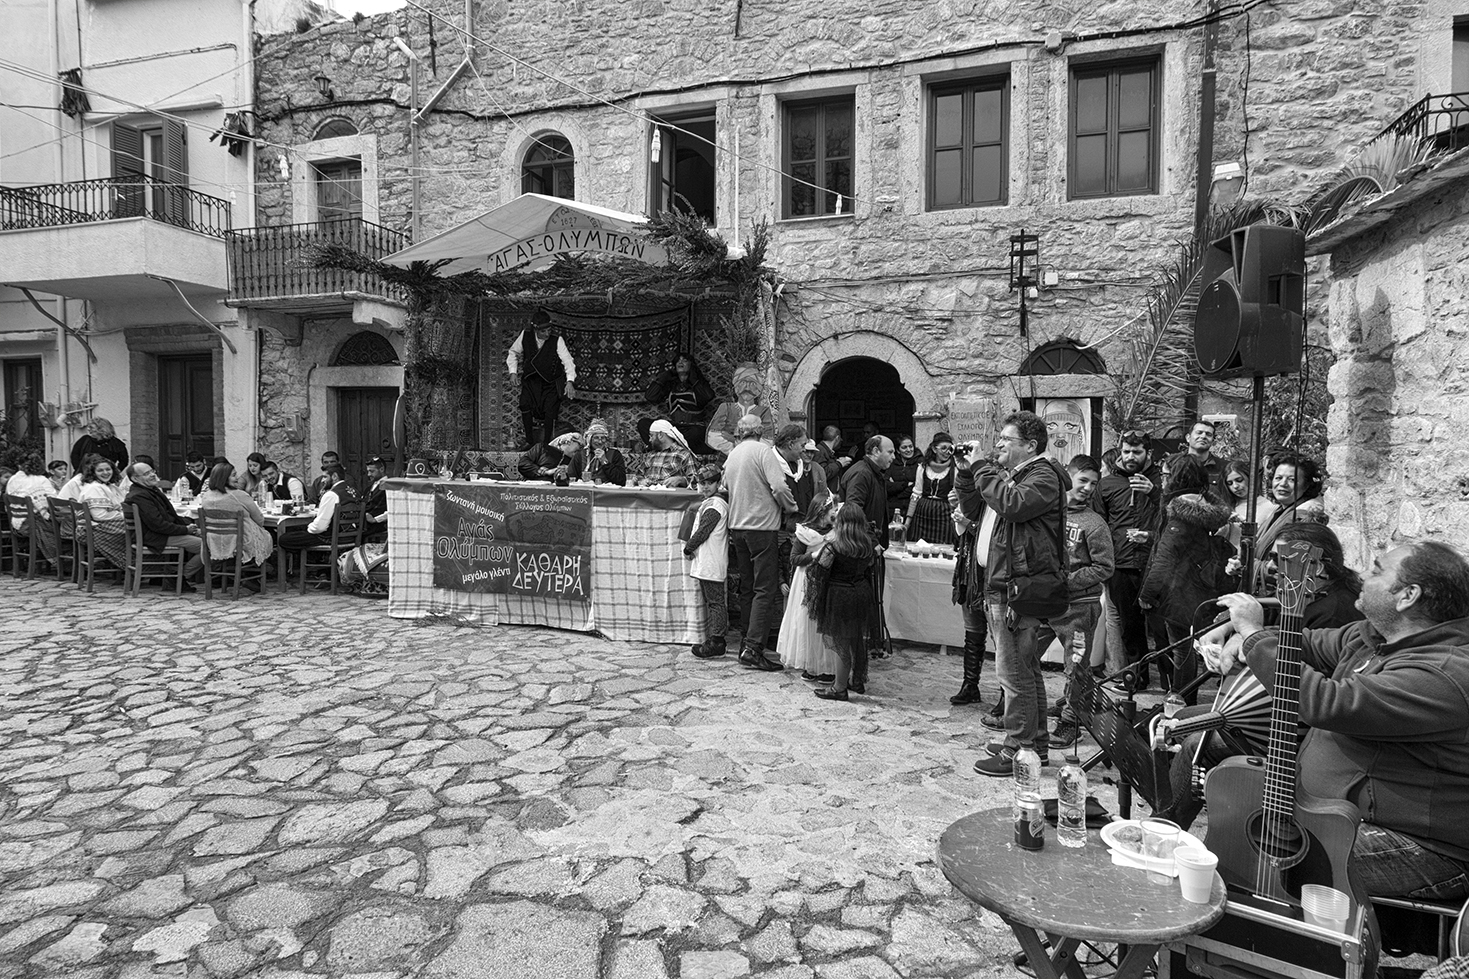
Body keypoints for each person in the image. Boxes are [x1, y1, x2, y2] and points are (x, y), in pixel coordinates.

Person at [1160, 540, 1469, 902]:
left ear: (1408, 596)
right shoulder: (1375, 637)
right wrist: (1235, 633)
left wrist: (1253, 636)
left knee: (1240, 863)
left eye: (1377, 570)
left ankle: (1264, 950)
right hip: (1329, 809)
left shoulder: (1444, 673)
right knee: (1230, 830)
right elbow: (1304, 642)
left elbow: (1326, 704)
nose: (1364, 575)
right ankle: (1162, 836)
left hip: (1415, 844)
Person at [961, 410, 1070, 777]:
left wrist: (982, 469)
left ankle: (1018, 749)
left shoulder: (1043, 477)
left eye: (1006, 440)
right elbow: (977, 506)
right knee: (1025, 668)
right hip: (1005, 582)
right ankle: (1034, 745)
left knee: (1013, 673)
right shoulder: (1019, 474)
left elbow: (1012, 505)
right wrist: (968, 472)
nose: (999, 445)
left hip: (1015, 586)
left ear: (1030, 446)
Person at [1138, 456, 1235, 702]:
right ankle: (1183, 697)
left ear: (1176, 478)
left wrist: (1147, 595)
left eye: (1166, 474)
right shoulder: (1205, 507)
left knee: (1182, 649)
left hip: (1181, 591)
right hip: (1199, 587)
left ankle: (1180, 701)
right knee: (1190, 646)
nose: (1163, 478)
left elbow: (1164, 558)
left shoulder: (1179, 513)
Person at [1037, 455, 1115, 748]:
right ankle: (1028, 709)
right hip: (1044, 602)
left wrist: (1067, 581)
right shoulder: (1047, 513)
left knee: (1077, 666)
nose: (1087, 487)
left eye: (1093, 483)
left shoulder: (1094, 523)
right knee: (1027, 654)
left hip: (1079, 606)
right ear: (1067, 477)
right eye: (1083, 480)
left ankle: (1071, 720)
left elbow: (1105, 567)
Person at [724, 412, 799, 672]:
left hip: (738, 527)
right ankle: (754, 648)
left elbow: (725, 485)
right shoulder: (763, 451)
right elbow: (778, 487)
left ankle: (747, 639)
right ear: (761, 430)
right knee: (765, 588)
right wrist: (791, 507)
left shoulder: (733, 454)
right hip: (761, 527)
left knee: (747, 586)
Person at [1095, 429, 1164, 684]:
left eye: (1137, 452)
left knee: (1161, 628)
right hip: (1121, 562)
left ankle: (1170, 683)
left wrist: (1154, 491)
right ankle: (1137, 677)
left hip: (1156, 562)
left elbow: (1176, 513)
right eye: (1126, 452)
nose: (1131, 456)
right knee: (1129, 625)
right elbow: (1099, 522)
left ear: (1148, 453)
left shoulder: (1161, 480)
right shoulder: (1108, 484)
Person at [808, 502, 879, 701]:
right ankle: (856, 679)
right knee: (856, 641)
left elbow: (819, 569)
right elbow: (870, 565)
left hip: (840, 596)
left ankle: (839, 688)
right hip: (861, 592)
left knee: (841, 643)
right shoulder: (866, 545)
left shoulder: (835, 546)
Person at [780, 493, 840, 681]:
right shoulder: (805, 533)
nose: (835, 513)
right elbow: (794, 558)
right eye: (833, 510)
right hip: (806, 579)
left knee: (823, 621)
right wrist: (814, 557)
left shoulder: (835, 532)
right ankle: (810, 663)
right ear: (822, 512)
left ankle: (825, 665)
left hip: (827, 579)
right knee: (807, 620)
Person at [123, 461, 203, 589]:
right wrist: (184, 530)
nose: (152, 475)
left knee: (206, 536)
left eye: (152, 471)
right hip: (155, 536)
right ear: (135, 478)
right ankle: (178, 577)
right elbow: (158, 525)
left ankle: (173, 577)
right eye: (146, 474)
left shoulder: (151, 490)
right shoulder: (140, 496)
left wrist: (190, 527)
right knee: (206, 546)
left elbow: (170, 516)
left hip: (162, 533)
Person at [507, 308, 578, 449]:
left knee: (549, 411)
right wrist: (513, 372)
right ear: (535, 329)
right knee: (525, 405)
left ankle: (547, 444)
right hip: (531, 381)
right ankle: (529, 441)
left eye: (549, 330)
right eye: (543, 331)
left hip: (549, 383)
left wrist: (570, 381)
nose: (547, 334)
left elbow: (568, 361)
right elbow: (513, 352)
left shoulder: (557, 340)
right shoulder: (525, 335)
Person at [686, 464, 731, 660]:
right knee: (713, 601)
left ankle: (717, 641)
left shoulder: (715, 505)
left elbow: (703, 530)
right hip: (709, 560)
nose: (705, 487)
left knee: (715, 603)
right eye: (701, 483)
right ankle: (715, 638)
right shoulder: (712, 502)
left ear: (717, 483)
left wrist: (688, 547)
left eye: (709, 483)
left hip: (711, 561)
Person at [950, 486, 989, 706]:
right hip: (967, 574)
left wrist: (968, 524)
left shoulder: (998, 503)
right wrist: (958, 515)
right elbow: (959, 538)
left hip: (989, 577)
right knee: (973, 632)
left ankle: (1007, 694)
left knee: (1001, 640)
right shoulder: (970, 502)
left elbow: (993, 537)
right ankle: (970, 685)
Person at [196, 462, 273, 573]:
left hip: (214, 542)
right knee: (267, 536)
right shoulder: (239, 495)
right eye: (233, 475)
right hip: (241, 542)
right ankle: (253, 572)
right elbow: (260, 520)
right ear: (224, 478)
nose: (237, 478)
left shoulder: (206, 496)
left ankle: (242, 574)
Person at [646, 352, 716, 454]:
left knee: (698, 432)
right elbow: (650, 396)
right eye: (678, 360)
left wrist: (694, 379)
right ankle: (673, 446)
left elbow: (708, 396)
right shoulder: (670, 385)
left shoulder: (698, 384)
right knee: (644, 424)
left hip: (693, 427)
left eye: (685, 360)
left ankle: (669, 447)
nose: (680, 362)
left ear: (691, 365)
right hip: (674, 428)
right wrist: (663, 378)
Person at [277, 465, 355, 556]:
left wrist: (308, 528)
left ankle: (309, 562)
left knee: (284, 539)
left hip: (331, 537)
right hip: (351, 536)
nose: (323, 480)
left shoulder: (331, 494)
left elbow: (320, 527)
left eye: (325, 477)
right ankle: (315, 560)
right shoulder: (353, 491)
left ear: (334, 476)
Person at [706, 364, 773, 455]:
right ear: (736, 386)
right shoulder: (726, 407)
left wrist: (733, 439)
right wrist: (734, 450)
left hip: (754, 458)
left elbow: (768, 441)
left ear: (758, 389)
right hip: (727, 457)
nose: (747, 388)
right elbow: (712, 437)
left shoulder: (764, 412)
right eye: (742, 382)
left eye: (752, 383)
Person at [75, 456, 129, 569]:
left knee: (139, 528)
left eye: (108, 469)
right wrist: (126, 515)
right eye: (100, 470)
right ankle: (133, 564)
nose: (105, 473)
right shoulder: (94, 488)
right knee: (139, 530)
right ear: (93, 473)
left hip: (103, 525)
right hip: (94, 529)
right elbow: (100, 515)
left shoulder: (110, 486)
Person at [840, 435, 894, 546]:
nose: (893, 457)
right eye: (890, 452)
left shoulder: (874, 473)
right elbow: (854, 512)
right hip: (861, 546)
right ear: (875, 451)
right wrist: (872, 541)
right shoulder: (861, 473)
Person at [906, 432, 957, 546]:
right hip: (923, 513)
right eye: (943, 448)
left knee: (943, 547)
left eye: (950, 449)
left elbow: (956, 498)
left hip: (944, 514)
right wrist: (907, 523)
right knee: (919, 546)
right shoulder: (923, 467)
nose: (947, 452)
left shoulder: (954, 469)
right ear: (934, 449)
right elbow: (916, 494)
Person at [1167, 419, 1225, 499]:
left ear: (1213, 441)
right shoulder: (1172, 463)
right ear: (1188, 437)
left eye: (1208, 434)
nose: (1203, 436)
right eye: (1199, 432)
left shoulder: (1223, 467)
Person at [634, 420, 695, 488]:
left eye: (651, 436)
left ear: (660, 435)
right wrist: (641, 480)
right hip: (648, 496)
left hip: (671, 497)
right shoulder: (650, 456)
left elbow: (696, 482)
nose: (650, 440)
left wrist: (681, 480)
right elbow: (637, 476)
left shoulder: (683, 455)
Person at [5, 454, 54, 528]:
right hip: (35, 524)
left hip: (16, 521)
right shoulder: (41, 480)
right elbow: (53, 501)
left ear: (19, 466)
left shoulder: (13, 479)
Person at [518, 430, 585, 483]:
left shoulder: (576, 459)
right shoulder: (541, 448)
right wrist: (547, 472)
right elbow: (523, 464)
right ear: (568, 441)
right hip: (531, 487)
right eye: (580, 445)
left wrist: (569, 470)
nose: (581, 449)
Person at [583, 419, 627, 486]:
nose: (600, 442)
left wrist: (604, 461)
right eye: (596, 438)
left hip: (608, 493)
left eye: (603, 438)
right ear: (589, 439)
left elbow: (621, 480)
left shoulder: (615, 454)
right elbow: (572, 479)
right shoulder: (581, 454)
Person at [886, 435, 920, 516]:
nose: (908, 450)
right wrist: (906, 484)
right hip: (893, 508)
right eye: (904, 447)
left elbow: (918, 486)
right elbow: (886, 485)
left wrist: (898, 494)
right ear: (898, 450)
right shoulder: (891, 463)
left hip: (913, 508)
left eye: (911, 446)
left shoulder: (920, 463)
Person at [362, 457, 390, 542]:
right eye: (368, 471)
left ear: (382, 469)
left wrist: (376, 519)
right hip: (363, 522)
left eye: (372, 471)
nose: (369, 474)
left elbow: (392, 509)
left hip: (377, 525)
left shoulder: (389, 486)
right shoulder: (369, 488)